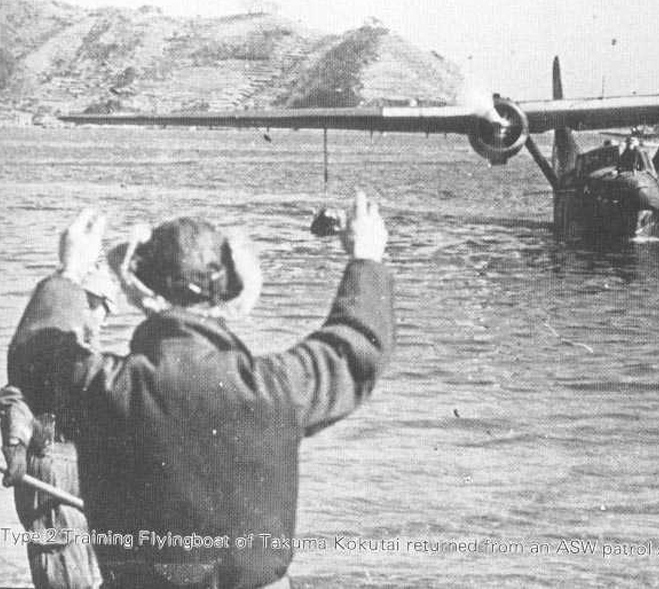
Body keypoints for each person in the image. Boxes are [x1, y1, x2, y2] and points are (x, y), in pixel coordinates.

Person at [2, 190, 394, 589]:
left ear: (144, 295)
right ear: (228, 296)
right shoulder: (275, 387)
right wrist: (365, 260)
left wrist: (68, 272)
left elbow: (36, 357)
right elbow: (354, 348)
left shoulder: (106, 388)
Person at [2, 269, 118, 589]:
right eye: (102, 311)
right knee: (59, 558)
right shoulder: (51, 345)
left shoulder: (82, 350)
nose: (104, 323)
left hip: (79, 468)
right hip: (50, 462)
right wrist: (15, 443)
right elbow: (17, 396)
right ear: (87, 302)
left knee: (90, 565)